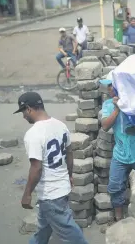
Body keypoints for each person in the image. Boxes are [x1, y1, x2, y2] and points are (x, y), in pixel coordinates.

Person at [14, 92, 88, 244]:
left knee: (72, 235)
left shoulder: (33, 134)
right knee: (43, 231)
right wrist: (69, 175)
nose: (23, 117)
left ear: (29, 109)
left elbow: (36, 168)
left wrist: (27, 193)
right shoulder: (61, 125)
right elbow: (69, 153)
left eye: (23, 112)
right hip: (61, 188)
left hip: (51, 195)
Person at [99, 73, 135, 222]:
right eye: (107, 86)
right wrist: (117, 109)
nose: (109, 89)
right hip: (120, 154)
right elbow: (105, 126)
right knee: (115, 186)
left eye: (111, 86)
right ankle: (119, 219)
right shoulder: (108, 104)